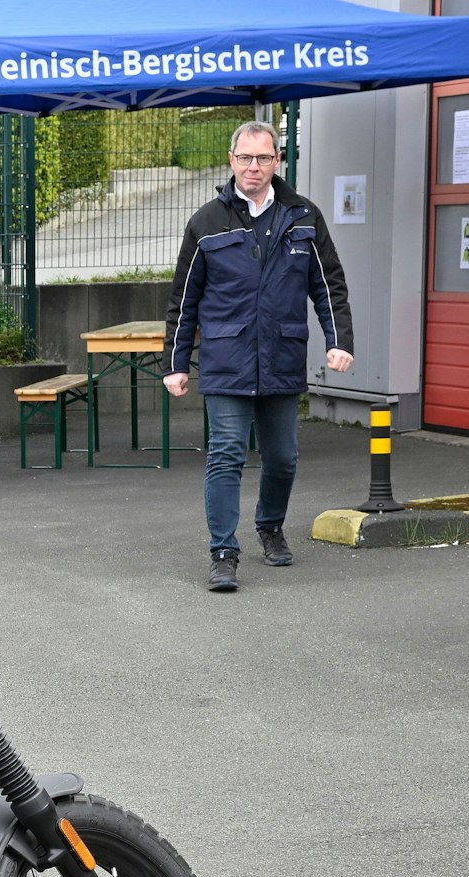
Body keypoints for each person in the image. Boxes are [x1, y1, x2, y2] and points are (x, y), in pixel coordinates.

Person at [162, 120, 353, 593]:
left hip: (282, 355)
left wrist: (338, 340)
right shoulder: (207, 222)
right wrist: (176, 362)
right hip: (228, 358)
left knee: (283, 457)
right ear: (231, 161)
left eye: (263, 158)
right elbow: (184, 299)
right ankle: (223, 552)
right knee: (226, 454)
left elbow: (328, 284)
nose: (253, 166)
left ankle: (270, 526)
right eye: (245, 158)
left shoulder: (302, 215)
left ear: (277, 162)